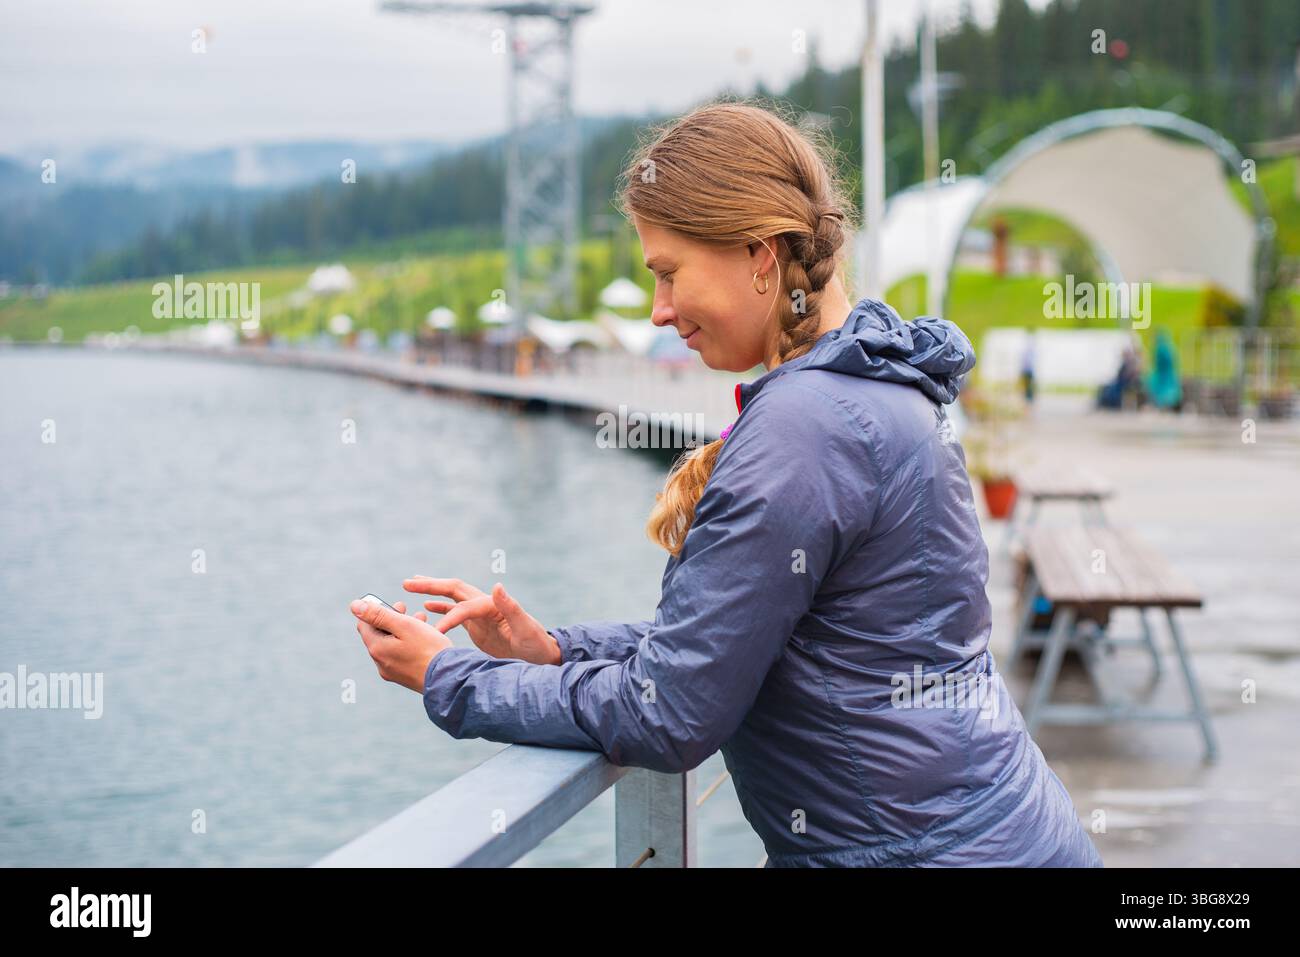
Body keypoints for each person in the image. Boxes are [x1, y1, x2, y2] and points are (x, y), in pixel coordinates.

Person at [349, 101, 1103, 868]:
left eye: (669, 274)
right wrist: (555, 650)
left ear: (761, 255)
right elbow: (769, 641)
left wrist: (450, 677)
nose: (660, 310)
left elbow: (670, 710)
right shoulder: (882, 382)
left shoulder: (805, 429)